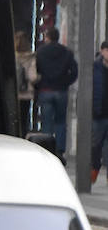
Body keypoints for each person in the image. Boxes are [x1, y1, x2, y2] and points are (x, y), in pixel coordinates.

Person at [34, 26, 78, 155]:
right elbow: (74, 72)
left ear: (47, 37)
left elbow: (35, 70)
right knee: (60, 121)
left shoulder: (41, 52)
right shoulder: (67, 52)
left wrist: (39, 86)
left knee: (47, 121)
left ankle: (47, 148)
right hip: (61, 91)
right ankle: (59, 149)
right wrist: (66, 82)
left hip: (45, 90)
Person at [14, 31, 37, 131]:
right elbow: (33, 77)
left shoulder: (11, 56)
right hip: (26, 93)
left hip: (13, 92)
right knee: (23, 120)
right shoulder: (31, 58)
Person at [93, 43, 108, 185]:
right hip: (98, 112)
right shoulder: (95, 67)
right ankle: (93, 171)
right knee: (96, 144)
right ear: (102, 51)